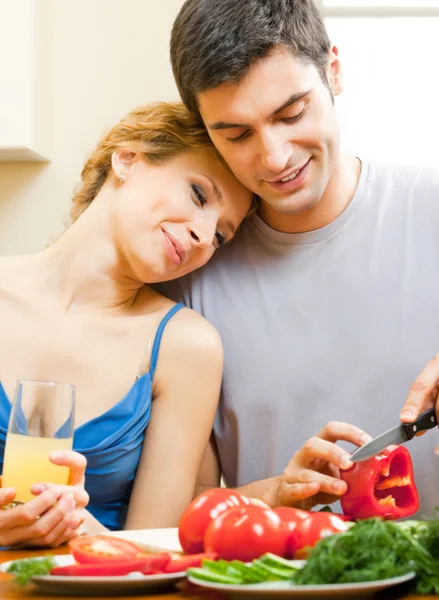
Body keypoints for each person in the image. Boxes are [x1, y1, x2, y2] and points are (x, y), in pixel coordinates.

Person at [158, 0, 439, 515]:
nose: (275, 158)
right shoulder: (190, 273)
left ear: (334, 71)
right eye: (236, 134)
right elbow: (182, 510)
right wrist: (272, 494)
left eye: (291, 114)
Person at [0, 101, 252, 547]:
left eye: (220, 235)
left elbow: (154, 551)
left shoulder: (186, 348)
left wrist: (76, 522)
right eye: (198, 194)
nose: (202, 236)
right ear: (127, 158)